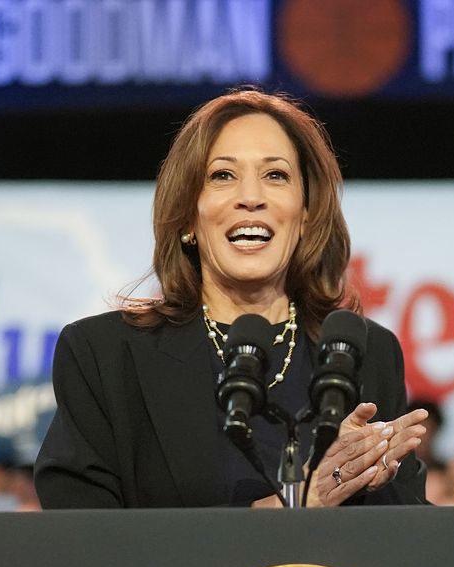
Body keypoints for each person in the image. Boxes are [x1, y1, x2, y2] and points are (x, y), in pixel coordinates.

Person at [35, 89, 428, 509]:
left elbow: (407, 537)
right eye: (222, 175)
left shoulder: (363, 352)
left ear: (306, 213)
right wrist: (290, 507)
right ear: (188, 216)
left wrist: (368, 481)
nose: (251, 197)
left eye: (275, 175)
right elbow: (81, 535)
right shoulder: (105, 355)